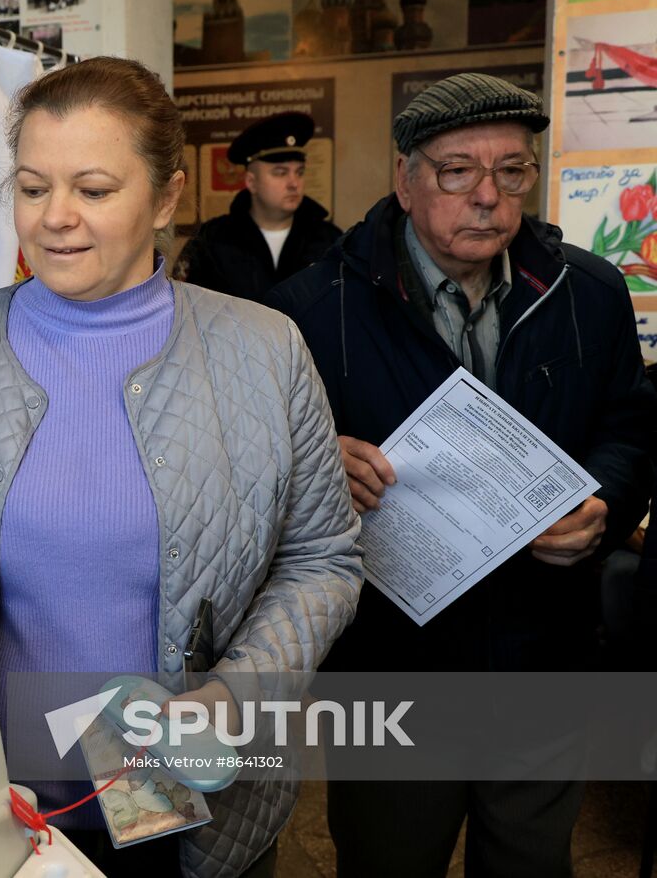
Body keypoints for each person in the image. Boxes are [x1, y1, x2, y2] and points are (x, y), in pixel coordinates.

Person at [0, 57, 363, 877]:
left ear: (166, 198)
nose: (55, 218)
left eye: (94, 189)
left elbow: (322, 558)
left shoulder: (263, 351)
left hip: (181, 803)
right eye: (33, 187)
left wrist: (235, 696)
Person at [266, 72, 656, 878]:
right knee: (388, 861)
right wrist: (315, 461)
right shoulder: (308, 309)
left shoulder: (587, 293)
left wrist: (603, 503)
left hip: (544, 648)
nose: (488, 196)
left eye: (512, 171)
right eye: (457, 171)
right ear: (405, 180)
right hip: (389, 665)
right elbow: (257, 467)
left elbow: (629, 426)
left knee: (531, 862)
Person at [173, 111, 340, 303]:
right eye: (280, 172)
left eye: (299, 172)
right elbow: (186, 307)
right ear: (251, 182)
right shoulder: (212, 241)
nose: (294, 183)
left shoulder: (329, 241)